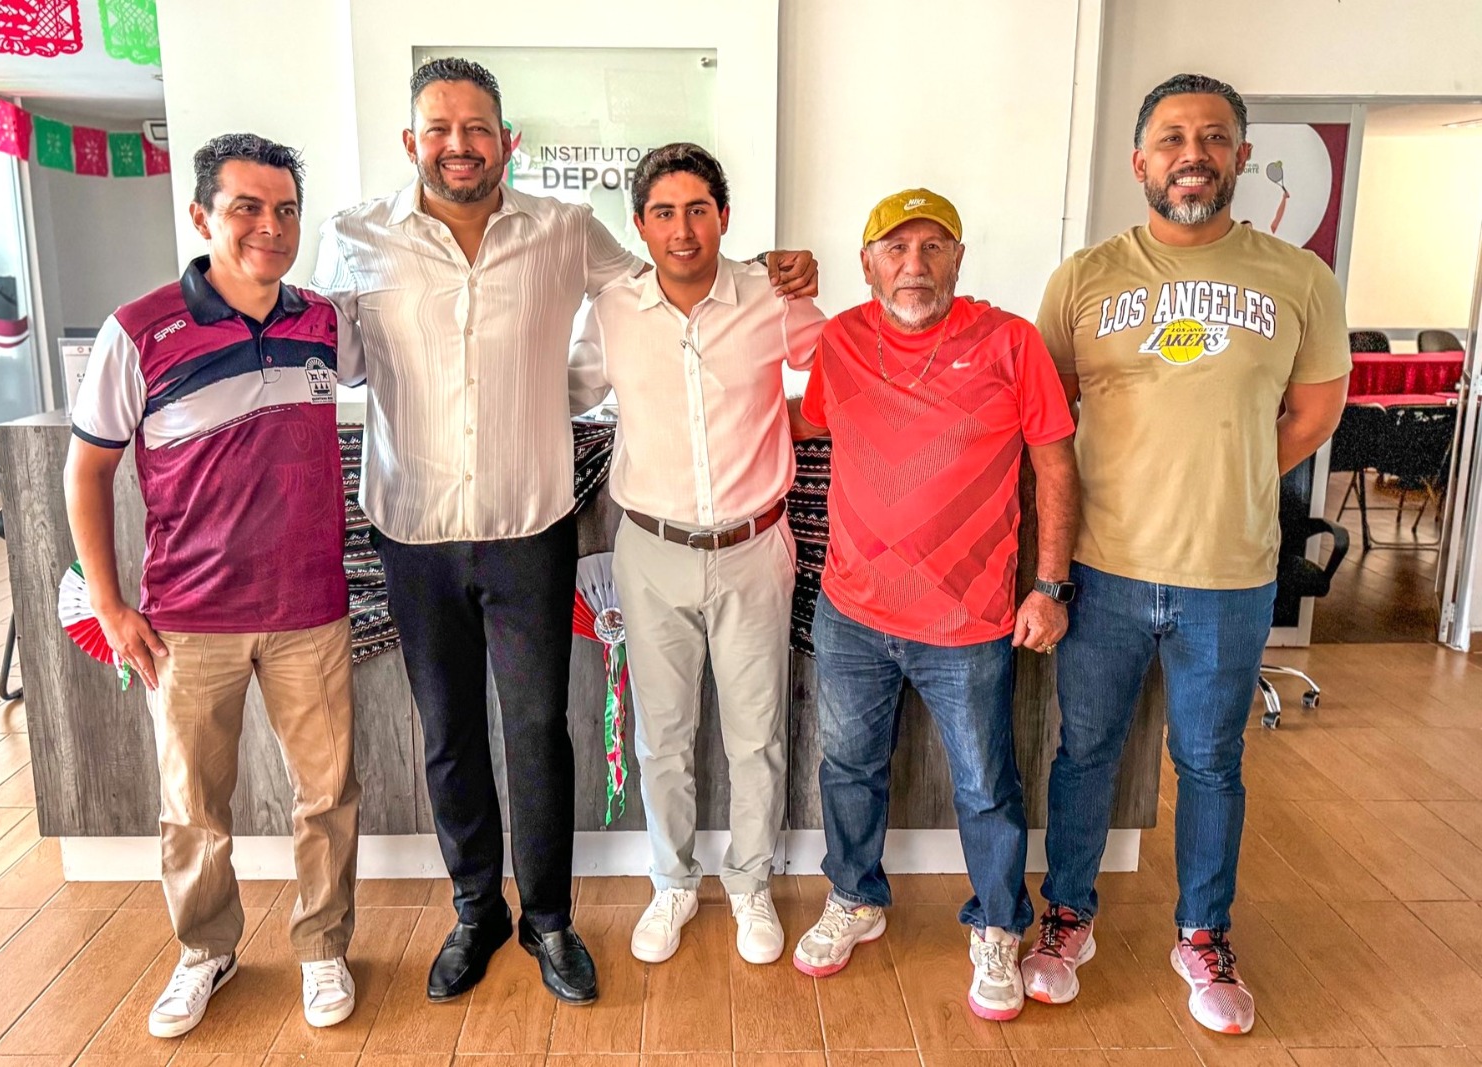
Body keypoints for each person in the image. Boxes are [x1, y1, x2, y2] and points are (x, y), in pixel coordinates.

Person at [310, 57, 816, 1005]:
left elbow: (675, 278)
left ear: (506, 141)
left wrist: (773, 269)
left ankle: (548, 918)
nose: (458, 144)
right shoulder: (351, 239)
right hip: (413, 527)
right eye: (439, 127)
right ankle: (475, 911)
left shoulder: (565, 230)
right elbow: (328, 359)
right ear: (411, 140)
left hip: (528, 525)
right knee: (448, 734)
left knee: (540, 729)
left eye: (477, 127)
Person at [1022, 73, 1350, 1035]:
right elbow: (1047, 419)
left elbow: (1314, 413)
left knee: (1210, 761)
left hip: (1228, 574)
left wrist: (1233, 472)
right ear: (1141, 162)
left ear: (1242, 156)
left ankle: (1204, 932)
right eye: (1171, 138)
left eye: (1213, 137)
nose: (1191, 154)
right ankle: (1067, 914)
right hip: (1103, 566)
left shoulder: (1299, 278)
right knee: (1085, 752)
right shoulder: (1085, 277)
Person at [65, 133, 362, 1038]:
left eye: (285, 210)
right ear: (202, 216)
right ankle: (206, 950)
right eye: (247, 208)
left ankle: (323, 946)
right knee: (194, 806)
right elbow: (87, 470)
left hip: (311, 606)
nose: (271, 226)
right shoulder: (139, 329)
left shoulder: (323, 321)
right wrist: (110, 604)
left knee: (328, 795)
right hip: (189, 618)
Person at [789, 189, 1079, 1021]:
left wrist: (1050, 586)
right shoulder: (841, 341)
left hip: (968, 620)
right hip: (852, 611)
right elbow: (812, 426)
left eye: (931, 246)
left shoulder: (1010, 342)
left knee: (986, 783)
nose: (912, 265)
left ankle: (998, 924)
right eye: (895, 248)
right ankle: (855, 896)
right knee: (847, 766)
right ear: (867, 263)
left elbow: (1056, 467)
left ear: (958, 257)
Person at [567, 143, 826, 966]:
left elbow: (845, 368)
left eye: (698, 211)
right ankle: (672, 881)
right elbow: (562, 391)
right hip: (651, 550)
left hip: (755, 547)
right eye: (665, 213)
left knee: (757, 735)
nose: (683, 230)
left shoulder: (771, 298)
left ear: (724, 217)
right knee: (663, 738)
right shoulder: (613, 307)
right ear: (640, 225)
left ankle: (750, 883)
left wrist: (811, 280)